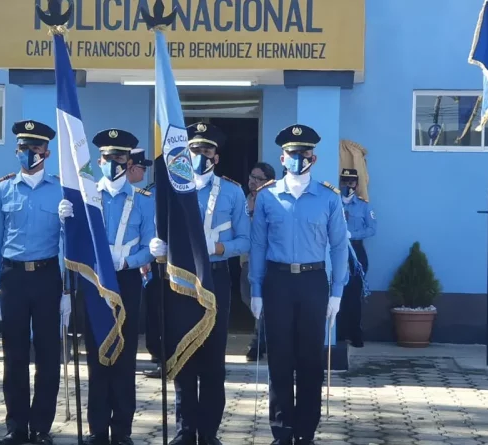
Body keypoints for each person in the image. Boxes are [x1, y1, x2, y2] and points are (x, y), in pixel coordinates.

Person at [149, 122, 250, 445]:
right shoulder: (172, 188)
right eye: (194, 150)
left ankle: (208, 431)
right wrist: (157, 247)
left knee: (212, 357)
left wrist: (218, 248)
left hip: (216, 278)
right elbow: (158, 227)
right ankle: (184, 429)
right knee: (183, 355)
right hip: (180, 280)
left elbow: (245, 240)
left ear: (216, 157)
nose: (200, 156)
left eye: (207, 151)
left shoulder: (232, 192)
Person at [248, 124, 349, 445]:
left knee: (309, 359)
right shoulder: (267, 197)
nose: (297, 158)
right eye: (292, 153)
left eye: (303, 154)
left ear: (313, 158)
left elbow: (339, 246)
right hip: (277, 281)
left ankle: (306, 430)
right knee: (279, 357)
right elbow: (258, 246)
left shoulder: (328, 197)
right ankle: (281, 429)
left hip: (313, 281)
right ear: (282, 157)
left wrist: (337, 292)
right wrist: (256, 289)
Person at [58, 129, 155, 445]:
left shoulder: (143, 201)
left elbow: (150, 245)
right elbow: (72, 244)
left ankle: (122, 430)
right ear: (98, 160)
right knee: (97, 354)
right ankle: (97, 428)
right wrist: (65, 223)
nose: (114, 162)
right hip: (94, 280)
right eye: (108, 157)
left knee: (125, 357)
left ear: (129, 162)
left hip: (126, 279)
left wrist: (128, 262)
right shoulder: (86, 198)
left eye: (120, 157)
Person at [0, 119, 71, 445]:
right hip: (13, 278)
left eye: (34, 148)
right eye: (22, 147)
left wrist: (67, 290)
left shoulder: (61, 191)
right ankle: (17, 427)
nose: (27, 153)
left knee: (48, 357)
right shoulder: (2, 190)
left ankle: (41, 428)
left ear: (46, 152)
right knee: (15, 357)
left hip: (48, 277)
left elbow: (69, 245)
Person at [125, 147, 164, 378]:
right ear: (131, 167)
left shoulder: (148, 195)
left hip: (160, 258)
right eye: (142, 167)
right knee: (152, 310)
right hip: (137, 262)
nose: (144, 171)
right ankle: (156, 352)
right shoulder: (145, 193)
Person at [336, 168, 376, 347]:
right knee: (338, 293)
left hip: (356, 252)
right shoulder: (334, 202)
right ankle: (338, 332)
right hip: (337, 252)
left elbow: (372, 228)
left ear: (357, 185)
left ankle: (355, 333)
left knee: (354, 294)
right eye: (344, 181)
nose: (347, 185)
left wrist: (353, 234)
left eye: (351, 182)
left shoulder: (363, 205)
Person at [240, 162, 276, 361]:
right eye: (251, 177)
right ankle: (262, 341)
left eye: (258, 179)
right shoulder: (246, 199)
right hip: (247, 260)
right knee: (249, 298)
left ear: (269, 181)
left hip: (268, 261)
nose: (252, 182)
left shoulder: (273, 200)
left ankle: (259, 344)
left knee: (266, 303)